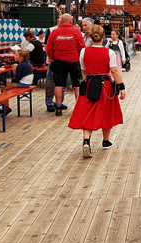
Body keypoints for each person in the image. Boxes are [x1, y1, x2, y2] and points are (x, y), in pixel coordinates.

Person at [68, 24, 126, 158]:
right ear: (103, 36)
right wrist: (121, 86)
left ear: (90, 36)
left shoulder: (84, 51)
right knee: (106, 112)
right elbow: (114, 70)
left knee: (88, 113)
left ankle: (86, 140)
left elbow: (83, 70)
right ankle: (105, 141)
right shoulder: (109, 52)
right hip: (105, 85)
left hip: (89, 84)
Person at [46, 14, 86, 116]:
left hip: (58, 61)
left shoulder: (54, 32)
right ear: (71, 22)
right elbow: (82, 47)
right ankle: (79, 107)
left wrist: (52, 58)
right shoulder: (76, 32)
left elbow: (48, 48)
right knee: (78, 84)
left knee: (59, 84)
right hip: (74, 61)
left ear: (60, 21)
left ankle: (58, 106)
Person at [0, 49, 33, 115]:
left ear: (21, 57)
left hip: (23, 84)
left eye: (16, 55)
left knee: (4, 89)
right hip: (28, 83)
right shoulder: (27, 64)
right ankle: (6, 106)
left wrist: (13, 72)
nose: (14, 56)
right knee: (8, 87)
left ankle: (6, 107)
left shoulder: (20, 66)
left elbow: (17, 78)